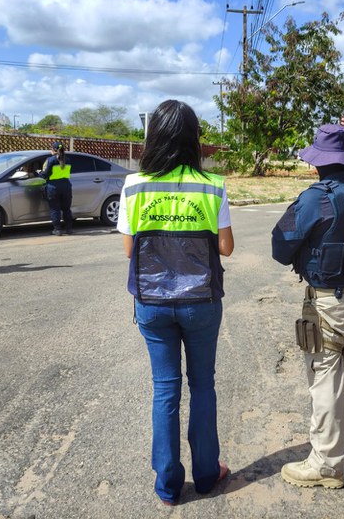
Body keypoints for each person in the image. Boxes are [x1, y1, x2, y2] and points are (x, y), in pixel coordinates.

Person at [117, 100, 234, 506]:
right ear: (194, 139)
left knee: (164, 390)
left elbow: (130, 250)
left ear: (153, 136)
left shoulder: (134, 186)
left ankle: (167, 485)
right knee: (203, 386)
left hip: (152, 301)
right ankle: (206, 474)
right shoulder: (212, 185)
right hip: (201, 301)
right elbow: (226, 248)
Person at [271, 113, 344, 489]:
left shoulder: (315, 200)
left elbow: (280, 247)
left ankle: (326, 464)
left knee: (325, 375)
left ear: (315, 162)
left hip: (329, 300)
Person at [39, 141, 73, 235]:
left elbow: (45, 174)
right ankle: (69, 229)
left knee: (55, 209)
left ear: (53, 150)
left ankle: (57, 230)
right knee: (66, 209)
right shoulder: (68, 160)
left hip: (53, 187)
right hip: (66, 186)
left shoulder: (50, 160)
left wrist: (38, 174)